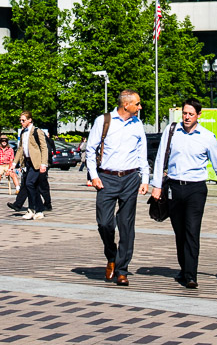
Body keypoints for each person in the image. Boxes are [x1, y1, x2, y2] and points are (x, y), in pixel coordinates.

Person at [151, 98, 217, 289]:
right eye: (184, 113)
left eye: (191, 114)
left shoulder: (207, 137)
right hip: (174, 186)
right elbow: (160, 158)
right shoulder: (172, 132)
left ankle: (191, 274)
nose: (187, 117)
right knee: (179, 232)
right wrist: (156, 186)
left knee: (192, 230)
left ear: (199, 115)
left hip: (195, 189)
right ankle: (184, 267)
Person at [86, 89, 148, 287]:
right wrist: (94, 176)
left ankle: (122, 270)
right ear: (126, 105)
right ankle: (111, 255)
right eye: (137, 104)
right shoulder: (104, 121)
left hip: (130, 177)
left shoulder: (137, 124)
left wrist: (145, 179)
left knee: (126, 225)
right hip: (107, 177)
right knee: (104, 223)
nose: (140, 107)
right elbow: (90, 149)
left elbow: (142, 152)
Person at [11, 111, 47, 220]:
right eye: (20, 120)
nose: (21, 122)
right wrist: (14, 163)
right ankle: (38, 210)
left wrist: (43, 164)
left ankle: (32, 209)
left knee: (29, 184)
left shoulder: (37, 131)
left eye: (23, 120)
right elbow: (20, 149)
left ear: (30, 120)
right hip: (27, 162)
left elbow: (44, 148)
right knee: (32, 186)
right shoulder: (23, 133)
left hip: (36, 162)